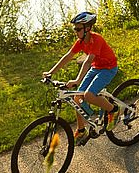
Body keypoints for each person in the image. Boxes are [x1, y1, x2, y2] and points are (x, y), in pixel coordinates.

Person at [45, 10, 120, 142]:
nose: (76, 32)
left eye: (78, 29)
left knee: (88, 95)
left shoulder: (97, 39)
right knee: (77, 97)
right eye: (75, 29)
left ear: (88, 28)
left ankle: (113, 110)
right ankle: (81, 130)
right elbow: (68, 56)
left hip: (108, 69)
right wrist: (51, 72)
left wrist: (77, 80)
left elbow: (88, 60)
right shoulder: (80, 42)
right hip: (96, 68)